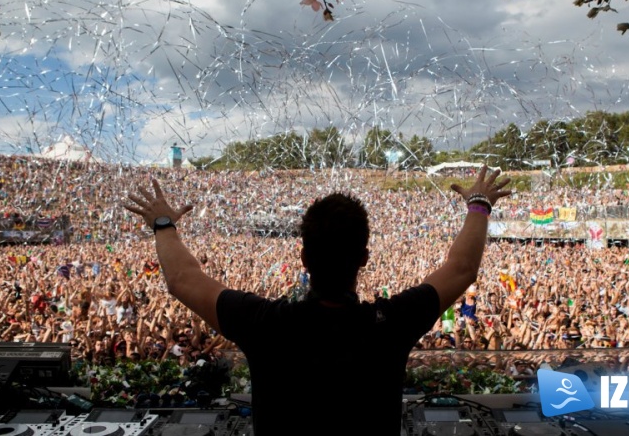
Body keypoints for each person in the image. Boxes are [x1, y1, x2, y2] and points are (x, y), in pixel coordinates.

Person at [126, 167, 511, 435]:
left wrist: (164, 224)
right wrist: (478, 204)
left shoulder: (265, 322)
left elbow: (181, 279)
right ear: (363, 257)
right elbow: (461, 269)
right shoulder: (390, 323)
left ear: (304, 259)